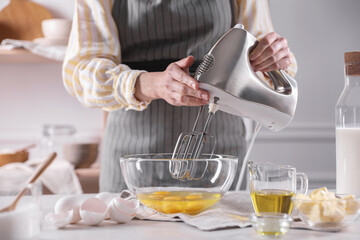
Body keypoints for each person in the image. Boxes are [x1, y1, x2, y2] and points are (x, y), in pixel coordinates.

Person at [63, 0, 297, 192]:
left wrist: (271, 58)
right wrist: (151, 84)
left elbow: (265, 56)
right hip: (133, 157)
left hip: (220, 154)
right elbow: (80, 71)